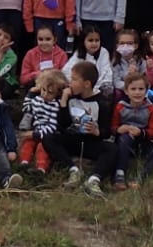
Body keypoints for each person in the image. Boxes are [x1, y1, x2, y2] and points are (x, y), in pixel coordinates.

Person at [47, 60, 115, 196]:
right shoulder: (70, 98)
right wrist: (64, 101)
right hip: (72, 139)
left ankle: (94, 179)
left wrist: (97, 132)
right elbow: (62, 125)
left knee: (112, 148)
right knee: (49, 137)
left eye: (74, 79)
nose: (70, 83)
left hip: (91, 142)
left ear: (87, 84)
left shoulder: (102, 102)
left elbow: (106, 131)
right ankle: (73, 170)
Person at [108, 72, 153, 190]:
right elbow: (112, 127)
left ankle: (140, 178)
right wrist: (119, 129)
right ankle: (119, 174)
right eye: (133, 89)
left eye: (141, 89)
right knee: (125, 138)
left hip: (141, 140)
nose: (137, 92)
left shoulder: (150, 108)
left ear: (146, 91)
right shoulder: (120, 106)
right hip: (124, 140)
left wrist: (141, 132)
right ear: (126, 91)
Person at [18, 69, 66, 174]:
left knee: (42, 147)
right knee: (27, 143)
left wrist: (36, 134)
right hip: (35, 130)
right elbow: (27, 108)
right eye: (43, 90)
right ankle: (24, 163)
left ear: (58, 93)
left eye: (50, 92)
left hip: (46, 135)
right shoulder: (37, 99)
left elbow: (52, 126)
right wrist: (30, 93)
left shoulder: (55, 106)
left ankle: (41, 168)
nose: (45, 94)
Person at [66, 29, 115, 98]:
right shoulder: (78, 53)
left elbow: (106, 72)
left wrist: (96, 88)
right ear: (84, 41)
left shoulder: (104, 52)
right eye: (90, 40)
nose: (94, 43)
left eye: (97, 40)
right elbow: (67, 71)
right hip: (81, 88)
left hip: (99, 88)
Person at [110, 28, 149, 97]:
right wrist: (129, 79)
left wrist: (136, 74)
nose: (125, 46)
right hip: (123, 92)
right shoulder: (115, 62)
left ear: (136, 45)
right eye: (122, 43)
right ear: (117, 46)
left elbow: (146, 80)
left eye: (129, 43)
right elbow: (116, 82)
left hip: (139, 91)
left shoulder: (141, 61)